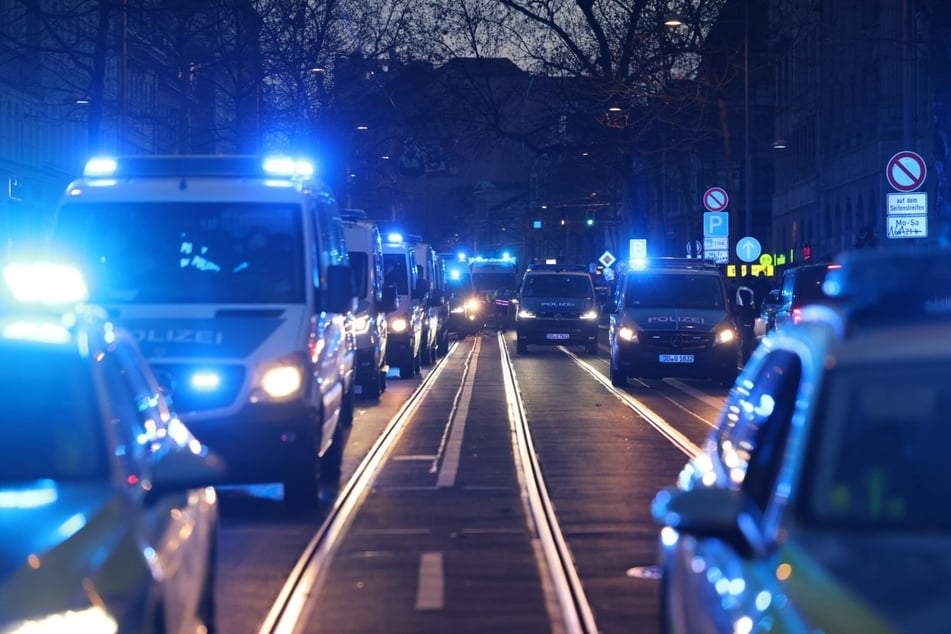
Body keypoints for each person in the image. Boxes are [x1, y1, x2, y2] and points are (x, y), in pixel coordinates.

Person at [735, 284, 757, 364]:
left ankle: (744, 358)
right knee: (748, 339)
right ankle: (746, 358)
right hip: (748, 317)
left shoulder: (739, 290)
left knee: (744, 338)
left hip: (742, 316)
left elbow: (738, 304)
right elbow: (752, 304)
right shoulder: (751, 291)